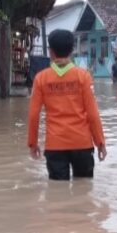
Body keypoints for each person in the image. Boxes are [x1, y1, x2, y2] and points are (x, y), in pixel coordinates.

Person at [28, 29, 107, 180]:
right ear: (72, 50)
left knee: (58, 195)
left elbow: (33, 115)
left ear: (50, 51)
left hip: (55, 145)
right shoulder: (83, 77)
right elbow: (92, 114)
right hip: (82, 143)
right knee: (84, 192)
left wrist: (32, 143)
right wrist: (100, 142)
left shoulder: (40, 79)